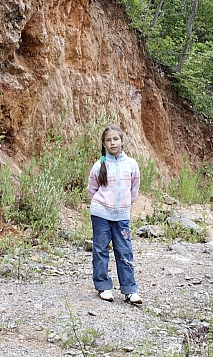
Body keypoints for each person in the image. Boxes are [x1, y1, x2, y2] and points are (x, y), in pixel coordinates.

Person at [87, 125, 142, 304]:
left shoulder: (131, 165)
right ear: (103, 144)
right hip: (101, 214)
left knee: (124, 250)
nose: (113, 143)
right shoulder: (99, 166)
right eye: (108, 140)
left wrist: (126, 206)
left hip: (122, 216)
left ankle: (130, 290)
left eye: (115, 139)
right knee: (100, 249)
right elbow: (92, 190)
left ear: (122, 141)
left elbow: (134, 189)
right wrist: (103, 205)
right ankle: (103, 286)